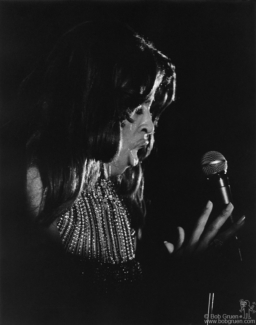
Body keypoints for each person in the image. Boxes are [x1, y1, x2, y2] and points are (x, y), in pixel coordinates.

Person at [23, 21, 245, 324]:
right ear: (95, 101)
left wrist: (178, 273)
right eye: (138, 106)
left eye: (151, 110)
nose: (150, 126)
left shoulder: (119, 191)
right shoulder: (39, 184)